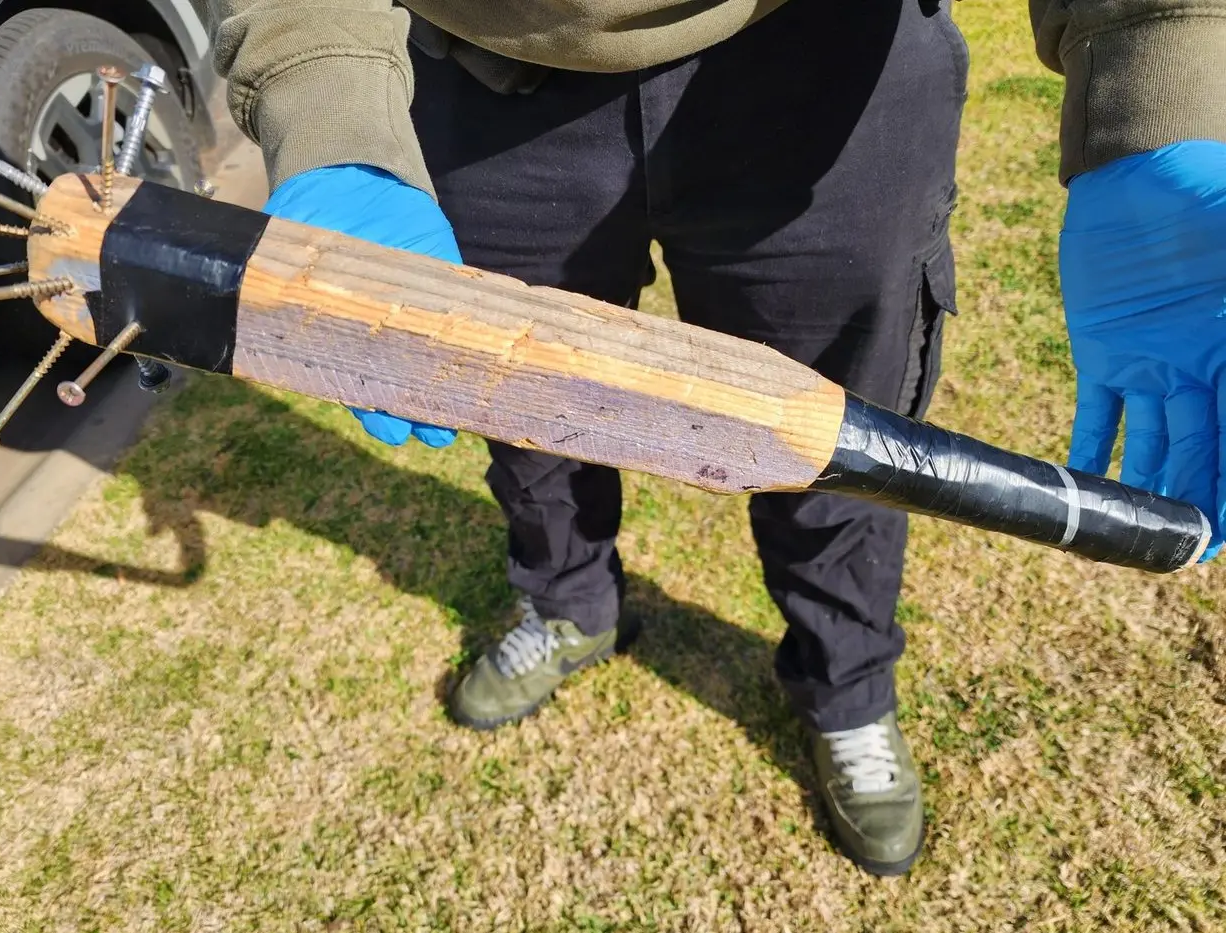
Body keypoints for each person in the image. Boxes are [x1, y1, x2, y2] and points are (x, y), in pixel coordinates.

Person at [195, 0, 1226, 876]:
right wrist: (323, 92)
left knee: (841, 442)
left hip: (827, 72)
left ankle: (845, 683)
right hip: (483, 77)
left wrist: (1160, 62)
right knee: (521, 407)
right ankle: (568, 604)